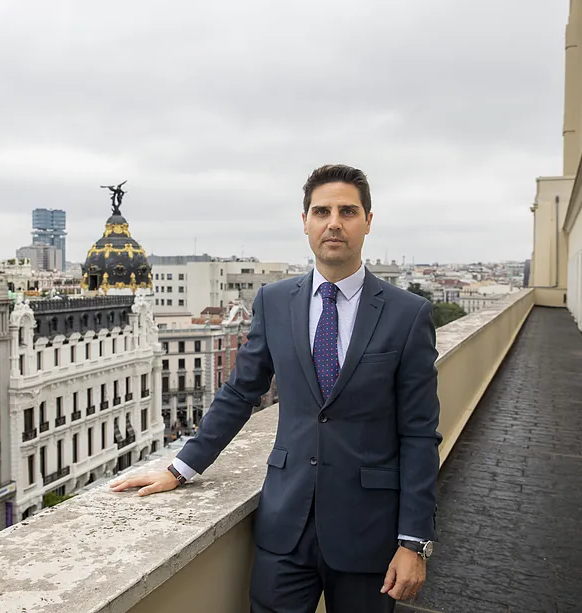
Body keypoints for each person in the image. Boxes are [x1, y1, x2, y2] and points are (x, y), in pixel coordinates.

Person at [110, 164, 441, 612]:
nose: (334, 223)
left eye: (348, 211)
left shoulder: (408, 314)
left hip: (369, 532)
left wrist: (414, 541)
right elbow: (241, 391)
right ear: (305, 222)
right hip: (285, 527)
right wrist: (180, 468)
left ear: (368, 221)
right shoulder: (274, 300)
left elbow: (419, 433)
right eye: (321, 211)